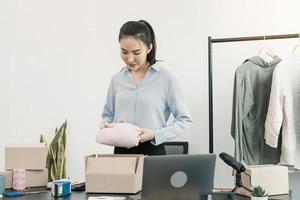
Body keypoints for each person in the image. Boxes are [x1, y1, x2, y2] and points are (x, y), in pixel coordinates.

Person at [101, 20, 192, 155]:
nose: (130, 59)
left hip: (153, 150)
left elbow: (184, 120)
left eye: (136, 52)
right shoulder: (117, 79)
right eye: (124, 52)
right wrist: (105, 125)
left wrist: (155, 134)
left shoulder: (166, 78)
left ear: (149, 48)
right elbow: (107, 115)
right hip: (121, 153)